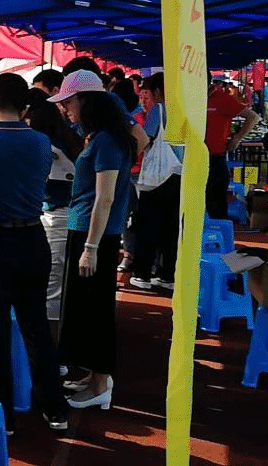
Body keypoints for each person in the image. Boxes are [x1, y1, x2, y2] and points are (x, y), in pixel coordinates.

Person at [0, 72, 69, 433]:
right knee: (36, 326)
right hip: (33, 237)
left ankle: (3, 413)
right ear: (25, 107)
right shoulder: (41, 142)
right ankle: (54, 407)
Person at [48, 69, 136, 411]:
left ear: (86, 101)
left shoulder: (108, 141)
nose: (66, 108)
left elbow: (105, 197)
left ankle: (100, 383)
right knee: (87, 310)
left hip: (93, 234)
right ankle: (93, 377)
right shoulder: (101, 137)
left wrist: (91, 247)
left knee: (96, 312)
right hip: (87, 230)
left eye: (69, 102)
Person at [24, 89, 84, 333]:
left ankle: (52, 345)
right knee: (54, 282)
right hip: (62, 216)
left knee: (51, 284)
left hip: (57, 217)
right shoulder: (67, 139)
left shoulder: (49, 148)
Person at [129, 74, 181, 292]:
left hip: (157, 178)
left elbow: (145, 137)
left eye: (147, 93)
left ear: (158, 92)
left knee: (148, 227)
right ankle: (167, 274)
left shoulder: (159, 110)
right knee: (171, 229)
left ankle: (142, 274)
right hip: (179, 174)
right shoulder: (185, 109)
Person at [206, 78, 260, 219]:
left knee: (216, 203)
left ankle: (219, 227)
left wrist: (237, 138)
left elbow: (253, 117)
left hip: (215, 157)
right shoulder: (193, 97)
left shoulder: (222, 98)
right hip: (194, 157)